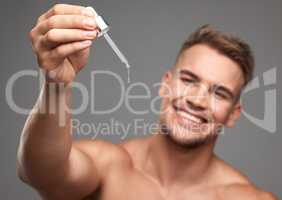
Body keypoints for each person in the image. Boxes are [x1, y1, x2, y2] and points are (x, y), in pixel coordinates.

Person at [17, 4, 278, 200]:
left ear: (234, 114)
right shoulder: (109, 167)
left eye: (219, 93)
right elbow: (41, 172)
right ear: (165, 84)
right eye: (188, 80)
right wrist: (56, 85)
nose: (197, 100)